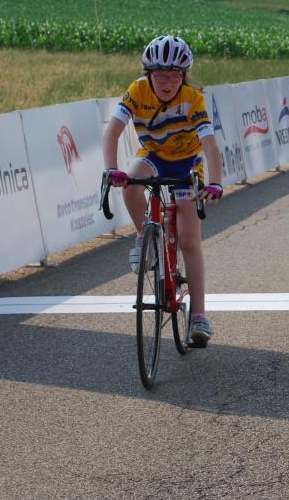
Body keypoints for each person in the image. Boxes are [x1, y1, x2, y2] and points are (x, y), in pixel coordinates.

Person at [102, 35, 224, 346]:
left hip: (187, 163)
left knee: (189, 240)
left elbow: (210, 144)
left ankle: (199, 315)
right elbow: (112, 132)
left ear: (184, 76)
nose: (167, 83)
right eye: (160, 76)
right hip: (154, 156)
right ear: (148, 75)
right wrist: (111, 169)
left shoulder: (193, 98)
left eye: (174, 76)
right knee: (130, 184)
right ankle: (145, 238)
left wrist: (215, 181)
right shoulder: (137, 90)